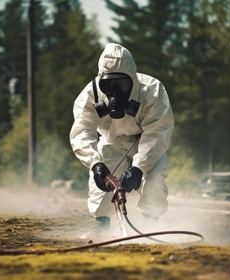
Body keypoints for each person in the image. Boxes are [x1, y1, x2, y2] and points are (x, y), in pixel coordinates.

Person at [69, 43, 174, 237]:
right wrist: (95, 164)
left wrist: (138, 168)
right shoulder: (90, 95)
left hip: (145, 141)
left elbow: (158, 133)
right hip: (112, 141)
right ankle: (101, 224)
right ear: (101, 83)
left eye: (122, 85)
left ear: (132, 81)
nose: (115, 92)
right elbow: (82, 131)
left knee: (155, 178)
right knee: (102, 180)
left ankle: (151, 226)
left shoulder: (152, 90)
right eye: (109, 86)